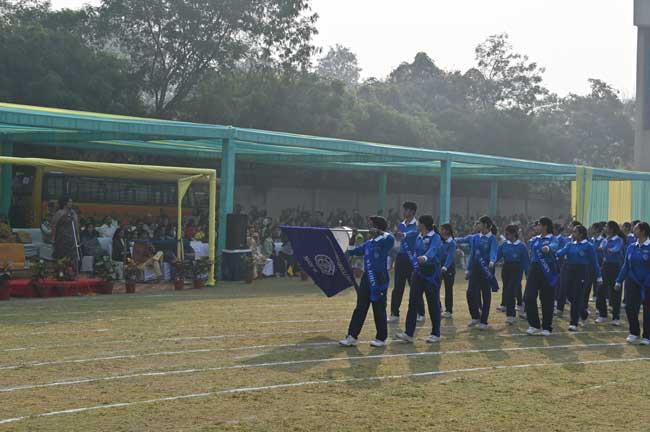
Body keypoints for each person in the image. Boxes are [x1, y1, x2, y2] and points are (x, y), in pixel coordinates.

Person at [340, 216, 395, 348]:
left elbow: (391, 238)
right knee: (360, 307)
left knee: (379, 308)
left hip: (379, 279)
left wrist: (380, 232)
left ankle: (381, 338)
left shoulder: (385, 240)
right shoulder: (368, 243)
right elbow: (352, 251)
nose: (368, 228)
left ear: (377, 227)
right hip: (367, 278)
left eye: (371, 225)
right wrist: (353, 236)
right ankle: (352, 336)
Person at [394, 215, 443, 343]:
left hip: (432, 273)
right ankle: (408, 333)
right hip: (418, 273)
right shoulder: (419, 236)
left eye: (418, 223)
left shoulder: (435, 237)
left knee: (433, 303)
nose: (416, 225)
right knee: (413, 302)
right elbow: (414, 245)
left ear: (423, 225)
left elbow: (433, 250)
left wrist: (425, 258)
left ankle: (436, 334)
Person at [555, 224, 602, 332]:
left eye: (575, 232)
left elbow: (594, 263)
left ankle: (573, 323)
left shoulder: (588, 246)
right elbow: (560, 253)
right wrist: (550, 252)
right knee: (569, 296)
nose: (572, 234)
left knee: (576, 297)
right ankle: (583, 313)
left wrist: (599, 276)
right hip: (569, 271)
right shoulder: (570, 244)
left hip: (582, 272)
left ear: (581, 234)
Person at [457, 216, 498, 330]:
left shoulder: (492, 238)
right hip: (475, 269)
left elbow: (494, 251)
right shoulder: (475, 237)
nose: (477, 225)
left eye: (479, 223)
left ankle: (484, 321)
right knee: (470, 293)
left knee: (486, 294)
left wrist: (492, 260)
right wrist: (468, 269)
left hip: (486, 269)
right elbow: (473, 255)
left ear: (485, 225)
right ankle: (475, 316)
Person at [615, 222, 650, 345]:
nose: (633, 231)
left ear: (643, 231)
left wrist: (646, 281)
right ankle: (634, 332)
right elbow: (626, 265)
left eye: (636, 229)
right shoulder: (631, 247)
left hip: (647, 284)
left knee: (647, 310)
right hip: (632, 282)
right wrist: (619, 280)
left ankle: (647, 336)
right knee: (629, 307)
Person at [388, 202, 423, 324]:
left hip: (413, 258)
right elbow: (398, 239)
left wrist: (404, 234)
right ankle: (394, 314)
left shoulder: (417, 225)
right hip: (401, 258)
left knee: (415, 286)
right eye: (404, 209)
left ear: (412, 211)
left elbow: (414, 233)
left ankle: (420, 312)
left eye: (406, 210)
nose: (404, 212)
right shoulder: (401, 225)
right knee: (397, 287)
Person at [525, 217, 560, 336]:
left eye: (539, 225)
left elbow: (555, 246)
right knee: (529, 296)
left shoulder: (553, 238)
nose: (536, 227)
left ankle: (546, 327)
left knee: (547, 299)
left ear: (545, 226)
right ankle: (534, 325)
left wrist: (548, 248)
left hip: (548, 270)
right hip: (534, 269)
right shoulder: (535, 239)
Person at [496, 225, 530, 324]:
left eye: (507, 234)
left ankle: (511, 315)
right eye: (505, 234)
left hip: (517, 269)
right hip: (506, 268)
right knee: (507, 290)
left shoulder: (522, 246)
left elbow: (526, 261)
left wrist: (528, 274)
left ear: (514, 234)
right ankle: (510, 310)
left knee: (511, 291)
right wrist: (490, 263)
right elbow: (497, 256)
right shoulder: (504, 245)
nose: (506, 236)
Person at [595, 221, 625, 325]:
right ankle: (602, 314)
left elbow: (617, 248)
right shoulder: (604, 240)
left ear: (611, 229)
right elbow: (599, 248)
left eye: (606, 227)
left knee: (615, 292)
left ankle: (616, 317)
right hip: (605, 266)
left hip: (615, 267)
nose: (604, 228)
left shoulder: (619, 240)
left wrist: (610, 249)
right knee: (600, 290)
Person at [51, 195, 81, 274]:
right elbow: (54, 225)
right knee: (61, 256)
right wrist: (53, 238)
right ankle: (61, 273)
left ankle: (73, 273)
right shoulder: (59, 213)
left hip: (71, 238)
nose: (71, 203)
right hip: (61, 238)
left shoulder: (73, 213)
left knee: (72, 256)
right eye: (69, 202)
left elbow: (76, 225)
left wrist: (77, 236)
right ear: (65, 203)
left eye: (71, 201)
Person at [439, 223, 457, 319]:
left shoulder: (452, 243)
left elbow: (450, 256)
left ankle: (448, 310)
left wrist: (445, 267)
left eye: (442, 229)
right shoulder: (441, 241)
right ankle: (439, 307)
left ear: (447, 231)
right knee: (435, 288)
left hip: (448, 269)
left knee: (448, 289)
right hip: (439, 268)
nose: (441, 231)